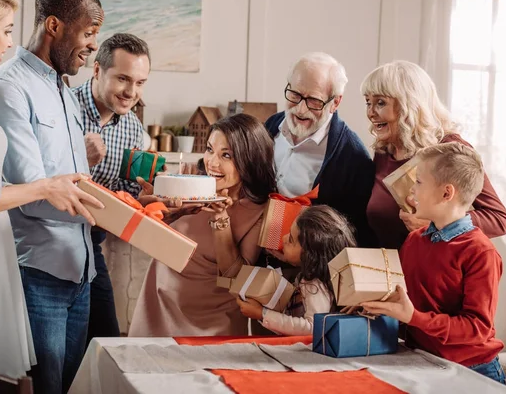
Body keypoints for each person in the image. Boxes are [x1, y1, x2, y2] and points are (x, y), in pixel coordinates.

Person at [0, 0, 101, 380]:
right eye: (5, 31)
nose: (8, 41)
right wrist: (46, 188)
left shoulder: (56, 91)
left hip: (34, 260)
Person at [361, 142, 506, 385]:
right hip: (425, 363)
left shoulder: (480, 252)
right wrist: (373, 306)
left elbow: (476, 328)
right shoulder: (414, 240)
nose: (411, 192)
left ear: (446, 193)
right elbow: (406, 300)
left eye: (418, 182)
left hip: (472, 371)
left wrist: (414, 317)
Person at [128, 114, 277, 337]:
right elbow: (149, 239)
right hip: (160, 302)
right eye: (209, 150)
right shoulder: (188, 184)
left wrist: (221, 218)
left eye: (226, 155)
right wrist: (150, 207)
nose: (212, 163)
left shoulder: (261, 210)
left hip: (214, 321)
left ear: (250, 159)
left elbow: (233, 276)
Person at [362, 60, 506, 250]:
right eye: (368, 102)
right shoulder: (384, 150)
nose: (370, 113)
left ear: (410, 104)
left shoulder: (450, 149)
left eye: (380, 103)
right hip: (386, 274)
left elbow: (499, 219)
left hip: (434, 275)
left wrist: (441, 222)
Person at [74, 33, 151, 342]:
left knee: (107, 340)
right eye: (123, 79)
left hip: (92, 245)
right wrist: (81, 157)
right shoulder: (64, 106)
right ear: (96, 70)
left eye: (141, 82)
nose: (131, 92)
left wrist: (145, 199)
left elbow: (124, 193)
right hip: (48, 241)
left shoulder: (133, 128)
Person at [264, 52, 376, 249]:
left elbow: (354, 234)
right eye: (295, 95)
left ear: (335, 102)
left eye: (314, 101)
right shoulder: (271, 126)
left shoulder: (353, 157)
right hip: (262, 254)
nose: (300, 109)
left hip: (310, 269)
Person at [237, 205, 356, 335]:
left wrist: (262, 314)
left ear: (309, 255)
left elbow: (312, 328)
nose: (284, 239)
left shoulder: (314, 286)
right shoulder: (317, 277)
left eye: (291, 240)